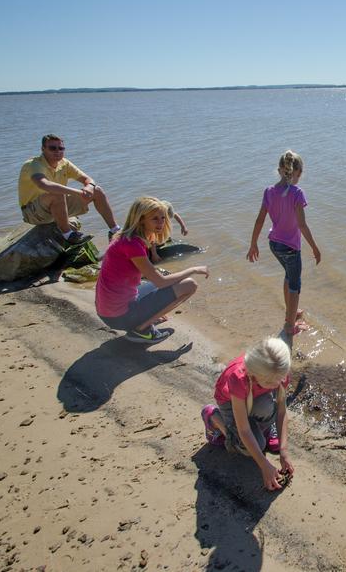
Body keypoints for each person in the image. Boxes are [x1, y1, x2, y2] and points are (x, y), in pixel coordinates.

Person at [95, 197, 209, 344]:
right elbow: (161, 282)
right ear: (141, 219)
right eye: (154, 219)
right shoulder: (133, 245)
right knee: (189, 284)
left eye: (163, 218)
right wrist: (193, 269)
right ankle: (142, 329)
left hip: (108, 310)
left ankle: (146, 317)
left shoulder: (123, 236)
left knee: (170, 279)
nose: (161, 223)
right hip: (118, 317)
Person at [201, 337, 294, 491]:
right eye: (272, 382)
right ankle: (213, 418)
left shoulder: (279, 372)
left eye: (280, 379)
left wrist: (284, 451)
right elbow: (244, 430)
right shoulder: (239, 378)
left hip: (255, 396)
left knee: (266, 408)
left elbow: (281, 412)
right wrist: (264, 465)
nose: (278, 384)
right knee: (249, 449)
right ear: (254, 375)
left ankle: (261, 429)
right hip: (230, 402)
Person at [246, 150, 322, 338]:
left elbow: (259, 220)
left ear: (279, 170)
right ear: (298, 173)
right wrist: (314, 247)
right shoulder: (297, 193)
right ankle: (290, 325)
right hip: (290, 248)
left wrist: (253, 244)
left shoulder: (269, 191)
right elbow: (302, 225)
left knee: (288, 276)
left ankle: (291, 312)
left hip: (275, 245)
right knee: (295, 285)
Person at [17, 134, 119, 245]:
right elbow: (44, 184)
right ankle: (68, 235)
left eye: (61, 148)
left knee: (97, 191)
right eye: (52, 148)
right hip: (32, 212)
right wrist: (78, 192)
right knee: (57, 194)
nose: (57, 151)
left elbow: (88, 179)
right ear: (43, 149)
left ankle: (115, 230)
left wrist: (89, 187)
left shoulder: (64, 163)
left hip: (56, 206)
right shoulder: (33, 164)